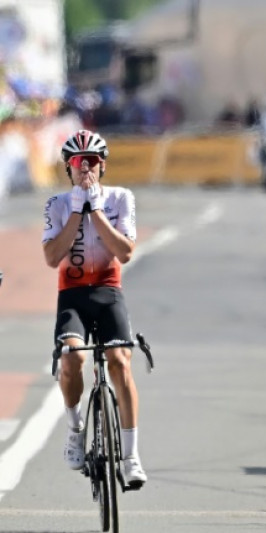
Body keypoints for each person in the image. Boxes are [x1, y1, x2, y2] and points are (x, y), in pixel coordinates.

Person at [41, 130, 147, 488]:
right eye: (77, 162)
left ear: (102, 166)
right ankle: (75, 429)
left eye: (92, 162)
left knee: (120, 361)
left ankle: (131, 457)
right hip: (73, 296)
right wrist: (76, 209)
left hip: (108, 292)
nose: (85, 168)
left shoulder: (121, 198)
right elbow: (52, 257)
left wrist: (96, 208)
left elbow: (125, 252)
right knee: (72, 360)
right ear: (68, 168)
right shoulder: (56, 204)